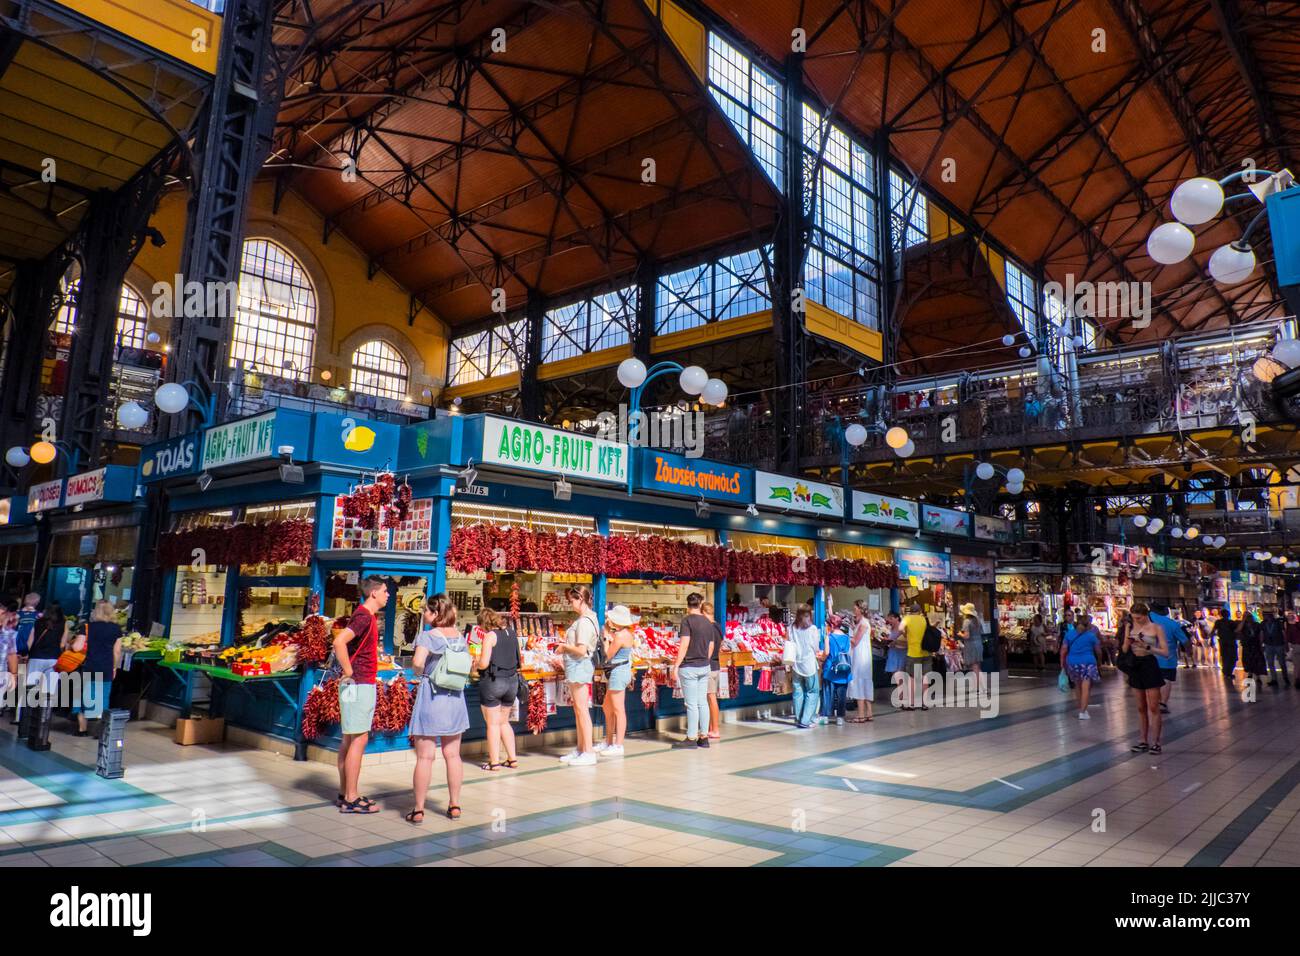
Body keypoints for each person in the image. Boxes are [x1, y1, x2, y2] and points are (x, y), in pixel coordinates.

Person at [408, 594, 469, 822]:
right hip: (455, 700)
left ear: (435, 614)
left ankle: (419, 809)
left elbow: (417, 662)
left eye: (426, 610)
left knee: (425, 757)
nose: (424, 614)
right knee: (453, 755)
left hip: (432, 698)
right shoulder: (459, 637)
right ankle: (454, 805)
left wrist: (419, 673)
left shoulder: (428, 636)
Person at [331, 577, 389, 814]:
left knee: (349, 739)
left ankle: (346, 793)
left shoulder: (366, 616)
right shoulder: (365, 616)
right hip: (359, 683)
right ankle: (351, 799)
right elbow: (339, 642)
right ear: (374, 593)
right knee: (359, 739)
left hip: (353, 685)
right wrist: (348, 671)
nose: (388, 595)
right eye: (385, 591)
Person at [472, 607, 520, 772]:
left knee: (492, 724)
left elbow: (484, 663)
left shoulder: (490, 636)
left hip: (494, 682)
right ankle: (512, 759)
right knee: (504, 722)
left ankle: (494, 763)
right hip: (512, 682)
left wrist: (475, 663)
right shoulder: (512, 633)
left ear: (484, 623)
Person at [557, 586, 600, 765]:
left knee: (582, 710)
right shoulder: (590, 618)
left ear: (580, 599)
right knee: (579, 709)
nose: (570, 603)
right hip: (578, 666)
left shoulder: (584, 622)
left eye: (572, 600)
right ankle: (581, 748)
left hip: (579, 666)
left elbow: (582, 650)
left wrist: (564, 647)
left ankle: (588, 752)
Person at [72, 600, 123, 736]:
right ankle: (101, 732)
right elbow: (117, 652)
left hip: (89, 666)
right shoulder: (116, 629)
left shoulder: (87, 627)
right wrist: (114, 667)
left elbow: (77, 647)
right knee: (103, 698)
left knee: (83, 697)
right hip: (106, 667)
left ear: (96, 611)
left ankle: (82, 729)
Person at [671, 592, 715, 747]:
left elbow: (684, 644)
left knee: (691, 704)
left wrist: (676, 665)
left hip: (689, 667)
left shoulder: (687, 621)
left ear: (687, 605)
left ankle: (691, 738)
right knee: (702, 702)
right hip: (704, 666)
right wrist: (704, 660)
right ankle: (704, 737)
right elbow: (711, 646)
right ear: (700, 603)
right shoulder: (707, 622)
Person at [1124, 604, 1169, 754]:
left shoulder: (1156, 628)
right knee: (1140, 707)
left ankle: (1156, 742)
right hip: (1135, 665)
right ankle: (1143, 740)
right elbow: (1124, 650)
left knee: (1153, 706)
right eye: (1134, 617)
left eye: (1139, 617)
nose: (1137, 620)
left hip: (1149, 664)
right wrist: (1128, 639)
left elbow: (1165, 652)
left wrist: (1148, 648)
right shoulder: (1131, 627)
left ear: (1145, 615)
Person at [598, 604, 636, 757]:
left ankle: (618, 744)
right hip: (619, 671)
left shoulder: (620, 636)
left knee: (618, 709)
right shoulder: (626, 633)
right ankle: (608, 741)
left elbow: (608, 655)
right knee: (607, 707)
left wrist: (606, 638)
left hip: (618, 673)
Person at [1149, 603, 1188, 715]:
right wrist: (1189, 652)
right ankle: (1162, 703)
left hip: (1149, 658)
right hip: (1167, 658)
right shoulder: (1172, 624)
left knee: (1153, 681)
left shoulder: (1146, 620)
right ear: (1166, 611)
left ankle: (1153, 702)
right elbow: (1185, 641)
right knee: (1166, 680)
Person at [1062, 612, 1101, 719]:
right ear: (1088, 625)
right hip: (1088, 662)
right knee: (1086, 687)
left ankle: (1081, 708)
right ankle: (1083, 711)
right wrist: (1100, 662)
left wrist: (1062, 664)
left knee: (1077, 686)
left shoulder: (1069, 634)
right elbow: (1098, 651)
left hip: (1072, 662)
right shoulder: (1091, 636)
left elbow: (1064, 650)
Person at [789, 604, 822, 728]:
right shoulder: (812, 629)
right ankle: (806, 720)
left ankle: (798, 718)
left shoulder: (792, 627)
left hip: (796, 664)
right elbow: (815, 647)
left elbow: (789, 642)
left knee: (798, 692)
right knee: (812, 692)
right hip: (809, 665)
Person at [848, 600, 874, 723]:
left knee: (859, 681)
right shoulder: (863, 623)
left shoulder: (863, 623)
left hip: (860, 656)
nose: (853, 608)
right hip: (864, 656)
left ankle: (860, 714)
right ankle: (869, 713)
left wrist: (845, 636)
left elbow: (855, 641)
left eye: (855, 606)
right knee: (866, 682)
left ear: (860, 608)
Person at [900, 603, 929, 711]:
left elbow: (900, 628)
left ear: (910, 611)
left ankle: (911, 703)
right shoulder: (924, 619)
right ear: (920, 611)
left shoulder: (907, 618)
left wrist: (906, 634)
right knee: (925, 677)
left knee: (912, 678)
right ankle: (925, 703)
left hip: (913, 652)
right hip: (925, 652)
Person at [701, 600, 723, 740]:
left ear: (703, 613)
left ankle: (715, 729)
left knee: (711, 697)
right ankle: (711, 727)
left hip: (709, 665)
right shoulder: (718, 627)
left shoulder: (707, 628)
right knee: (711, 698)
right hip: (716, 665)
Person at [823, 622, 852, 725]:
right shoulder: (847, 637)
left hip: (830, 668)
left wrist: (821, 657)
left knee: (828, 693)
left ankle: (826, 716)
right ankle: (840, 717)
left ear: (831, 626)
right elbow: (849, 652)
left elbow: (826, 653)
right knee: (842, 694)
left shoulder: (829, 637)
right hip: (844, 668)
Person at [1237, 610, 1267, 692]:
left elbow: (1261, 633)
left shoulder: (1256, 625)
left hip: (1255, 645)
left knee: (1256, 660)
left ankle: (1258, 676)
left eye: (1249, 616)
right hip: (1247, 645)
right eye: (1247, 617)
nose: (1248, 618)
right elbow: (1238, 630)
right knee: (1248, 660)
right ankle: (1250, 674)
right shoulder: (1243, 625)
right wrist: (1243, 620)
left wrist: (1261, 644)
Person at [1260, 609, 1290, 688]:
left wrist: (1285, 644)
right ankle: (1274, 679)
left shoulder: (1278, 623)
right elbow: (1262, 634)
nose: (1264, 616)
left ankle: (1285, 677)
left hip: (1279, 644)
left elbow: (1283, 633)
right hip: (1268, 645)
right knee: (1270, 662)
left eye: (1265, 615)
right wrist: (1261, 644)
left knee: (1282, 662)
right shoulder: (1263, 624)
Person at [883, 612, 906, 691]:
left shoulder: (902, 628)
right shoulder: (889, 628)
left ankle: (902, 696)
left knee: (900, 676)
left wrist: (895, 642)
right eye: (888, 618)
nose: (889, 620)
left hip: (901, 653)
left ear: (897, 618)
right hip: (892, 653)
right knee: (895, 676)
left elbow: (908, 641)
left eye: (891, 618)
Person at [959, 603, 984, 675]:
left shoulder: (967, 621)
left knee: (974, 666)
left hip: (971, 645)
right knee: (978, 666)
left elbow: (966, 636)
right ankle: (981, 684)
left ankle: (977, 685)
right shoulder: (977, 620)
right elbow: (981, 632)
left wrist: (960, 634)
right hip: (979, 644)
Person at [1214, 605, 1238, 680]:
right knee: (1232, 657)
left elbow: (1213, 631)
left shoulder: (1219, 622)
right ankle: (1228, 672)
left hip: (1223, 642)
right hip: (1230, 642)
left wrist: (1212, 637)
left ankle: (1226, 672)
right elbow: (1237, 631)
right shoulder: (1231, 622)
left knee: (1225, 657)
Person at [14, 592, 38, 656]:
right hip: (31, 644)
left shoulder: (18, 613)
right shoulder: (38, 615)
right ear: (37, 602)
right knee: (23, 663)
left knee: (14, 662)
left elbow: (13, 627)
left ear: (25, 601)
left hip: (18, 643)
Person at [1286, 611, 1300, 690]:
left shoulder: (1290, 627)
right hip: (1296, 646)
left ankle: (1297, 681)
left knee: (1297, 665)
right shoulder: (1295, 625)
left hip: (1296, 646)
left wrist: (1288, 647)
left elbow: (1288, 639)